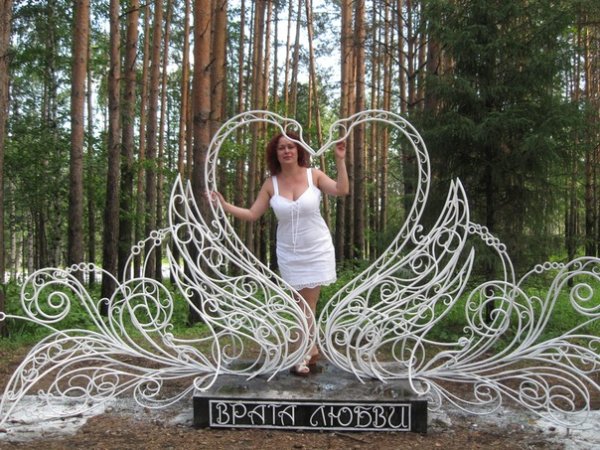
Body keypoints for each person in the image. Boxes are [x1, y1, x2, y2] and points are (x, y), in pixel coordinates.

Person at [209, 131, 349, 376]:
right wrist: (224, 205)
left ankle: (304, 352)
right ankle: (311, 348)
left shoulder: (314, 175)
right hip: (288, 252)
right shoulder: (270, 184)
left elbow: (342, 189)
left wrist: (339, 160)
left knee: (308, 303)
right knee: (298, 304)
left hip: (316, 247)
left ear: (298, 150)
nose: (286, 151)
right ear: (275, 153)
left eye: (291, 147)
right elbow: (252, 214)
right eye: (281, 147)